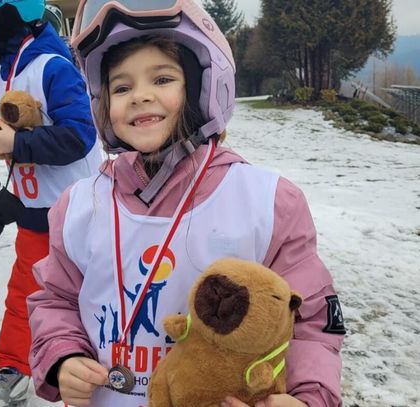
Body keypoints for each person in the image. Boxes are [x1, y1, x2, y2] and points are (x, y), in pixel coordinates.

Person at [27, 1, 345, 407]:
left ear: (201, 87)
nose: (140, 96)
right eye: (121, 88)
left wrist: (307, 397)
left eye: (162, 79)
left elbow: (309, 320)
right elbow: (56, 299)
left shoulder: (265, 204)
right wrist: (63, 356)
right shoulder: (79, 206)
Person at [0, 0, 102, 405]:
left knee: (85, 298)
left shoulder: (52, 66)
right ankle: (14, 366)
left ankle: (93, 368)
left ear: (5, 14)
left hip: (79, 215)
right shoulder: (3, 73)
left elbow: (79, 135)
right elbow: (13, 133)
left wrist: (18, 142)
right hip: (32, 211)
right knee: (25, 295)